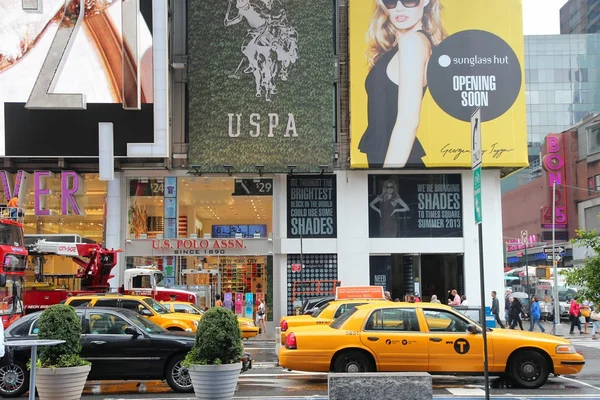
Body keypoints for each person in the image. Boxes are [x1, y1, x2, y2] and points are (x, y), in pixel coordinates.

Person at [358, 0, 446, 168]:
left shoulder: (412, 42)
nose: (399, 8)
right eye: (390, 2)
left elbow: (408, 120)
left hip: (396, 164)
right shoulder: (400, 45)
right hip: (391, 161)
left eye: (409, 0)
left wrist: (388, 177)